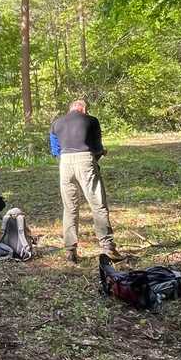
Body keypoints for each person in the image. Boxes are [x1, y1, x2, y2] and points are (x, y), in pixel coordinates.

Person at [49, 99, 121, 263]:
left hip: (65, 163)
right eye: (86, 110)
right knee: (98, 205)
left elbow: (55, 150)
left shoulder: (56, 123)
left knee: (70, 207)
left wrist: (66, 158)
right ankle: (108, 247)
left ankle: (70, 250)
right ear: (83, 109)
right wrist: (100, 154)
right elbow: (97, 147)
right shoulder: (91, 121)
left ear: (71, 109)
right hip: (85, 159)